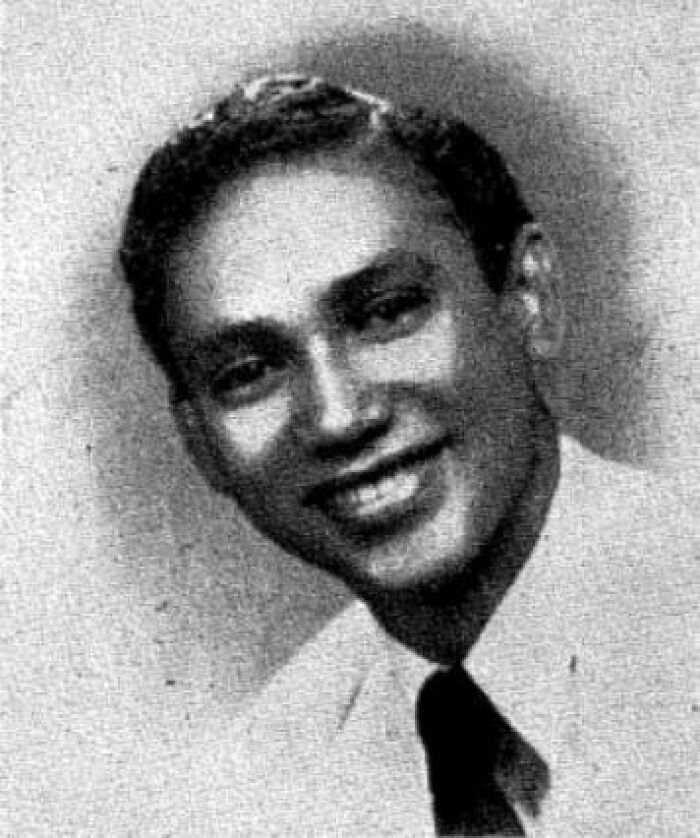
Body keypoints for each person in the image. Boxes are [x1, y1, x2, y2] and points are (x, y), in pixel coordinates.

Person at [119, 74, 695, 836]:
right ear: (201, 445)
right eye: (248, 372)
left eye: (387, 313)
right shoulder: (247, 795)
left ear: (528, 296)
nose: (337, 416)